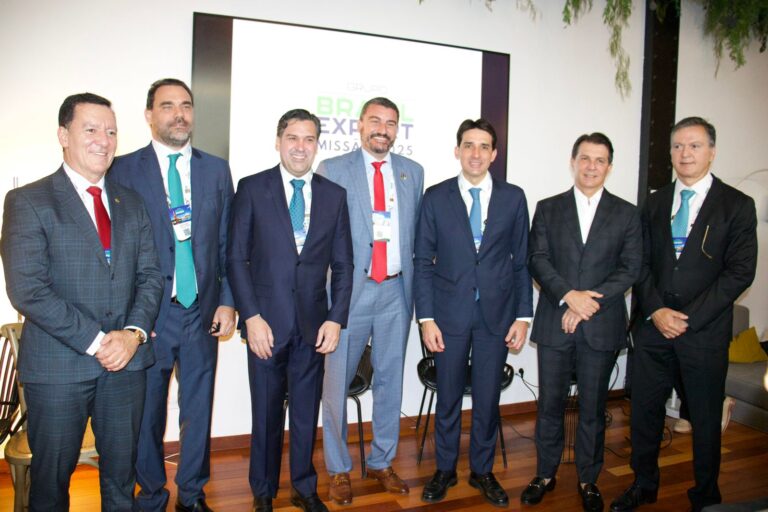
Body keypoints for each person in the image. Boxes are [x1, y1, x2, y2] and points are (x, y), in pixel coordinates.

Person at [1, 93, 163, 510]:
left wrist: (132, 335)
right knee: (50, 487)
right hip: (58, 369)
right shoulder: (28, 201)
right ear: (63, 135)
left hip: (126, 366)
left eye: (111, 131)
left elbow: (150, 276)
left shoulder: (132, 202)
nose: (103, 140)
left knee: (121, 481)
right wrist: (98, 341)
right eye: (91, 129)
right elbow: (28, 289)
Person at [611, 117, 757, 512]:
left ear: (711, 152)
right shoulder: (655, 202)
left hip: (703, 333)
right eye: (677, 146)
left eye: (694, 146)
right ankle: (644, 484)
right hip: (654, 328)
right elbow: (639, 264)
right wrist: (657, 309)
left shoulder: (737, 205)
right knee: (644, 412)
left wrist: (687, 318)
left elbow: (740, 272)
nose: (685, 153)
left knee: (704, 418)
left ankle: (706, 496)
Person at [109, 78, 236, 512]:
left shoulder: (215, 169)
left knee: (198, 410)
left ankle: (193, 495)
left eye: (185, 105)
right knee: (148, 413)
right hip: (147, 316)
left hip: (202, 312)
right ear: (149, 115)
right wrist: (127, 316)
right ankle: (152, 495)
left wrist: (228, 300)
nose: (179, 114)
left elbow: (226, 243)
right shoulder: (122, 169)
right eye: (167, 106)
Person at [228, 109, 353, 512]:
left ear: (317, 145)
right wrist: (251, 317)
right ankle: (263, 492)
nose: (301, 147)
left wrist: (336, 318)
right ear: (278, 141)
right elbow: (236, 259)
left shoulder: (334, 195)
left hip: (313, 326)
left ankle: (304, 487)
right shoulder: (252, 188)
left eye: (309, 139)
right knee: (265, 415)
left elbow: (344, 264)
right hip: (265, 325)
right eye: (293, 138)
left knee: (304, 414)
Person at [414, 118, 533, 507]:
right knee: (448, 396)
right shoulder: (436, 197)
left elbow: (522, 262)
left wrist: (523, 317)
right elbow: (422, 262)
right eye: (468, 145)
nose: (476, 153)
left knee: (487, 399)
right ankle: (445, 469)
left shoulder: (513, 198)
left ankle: (482, 470)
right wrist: (426, 318)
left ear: (494, 154)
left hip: (497, 317)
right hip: (447, 316)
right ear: (457, 151)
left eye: (484, 146)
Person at [523, 133, 642, 512]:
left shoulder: (627, 213)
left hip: (601, 323)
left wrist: (587, 302)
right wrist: (568, 295)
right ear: (573, 161)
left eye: (600, 160)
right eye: (585, 158)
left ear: (609, 166)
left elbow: (631, 268)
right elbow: (537, 258)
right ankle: (545, 474)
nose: (592, 166)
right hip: (555, 320)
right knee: (550, 405)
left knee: (593, 408)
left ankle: (589, 478)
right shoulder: (548, 208)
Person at [317, 97, 424, 504]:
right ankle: (338, 469)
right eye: (375, 120)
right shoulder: (333, 169)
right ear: (360, 124)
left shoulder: (412, 172)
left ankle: (382, 461)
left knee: (390, 382)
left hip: (396, 291)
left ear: (397, 130)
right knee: (336, 384)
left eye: (391, 123)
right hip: (350, 293)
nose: (383, 129)